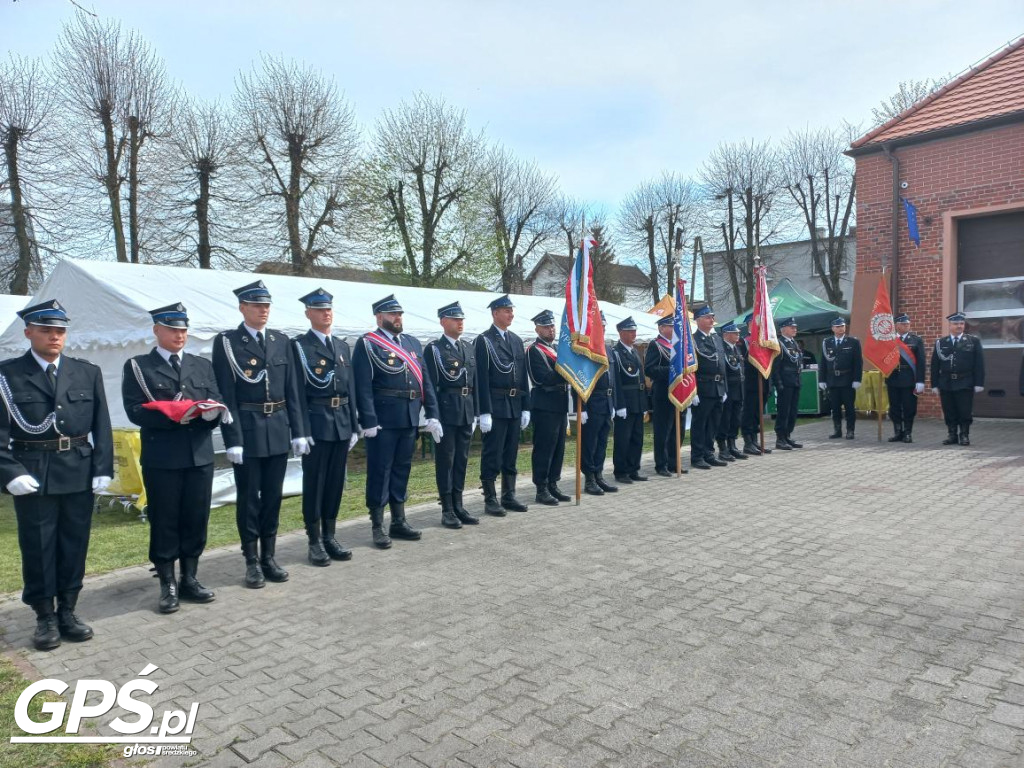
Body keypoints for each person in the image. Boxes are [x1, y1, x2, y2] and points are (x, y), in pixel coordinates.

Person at [0, 300, 112, 650]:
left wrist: (103, 467)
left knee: (73, 544)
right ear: (28, 332)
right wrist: (9, 471)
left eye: (60, 330)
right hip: (33, 472)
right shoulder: (7, 375)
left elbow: (102, 425)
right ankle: (44, 616)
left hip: (78, 469)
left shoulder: (86, 371)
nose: (54, 336)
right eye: (46, 329)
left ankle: (68, 610)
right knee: (38, 546)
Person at [122, 303, 225, 614]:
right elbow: (135, 410)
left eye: (183, 329)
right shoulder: (139, 366)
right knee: (165, 520)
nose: (179, 334)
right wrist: (177, 415)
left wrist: (208, 414)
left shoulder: (200, 365)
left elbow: (218, 401)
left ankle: (190, 578)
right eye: (172, 329)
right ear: (157, 330)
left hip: (198, 456)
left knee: (196, 519)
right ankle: (167, 582)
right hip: (163, 457)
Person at [212, 280, 307, 589]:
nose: (263, 310)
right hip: (249, 430)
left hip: (278, 427)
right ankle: (251, 560)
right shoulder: (228, 342)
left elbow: (293, 390)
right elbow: (226, 394)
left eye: (266, 305)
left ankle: (269, 555)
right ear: (243, 308)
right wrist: (233, 438)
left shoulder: (281, 341)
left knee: (273, 498)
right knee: (249, 499)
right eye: (256, 305)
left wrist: (299, 431)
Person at [352, 294, 442, 546]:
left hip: (409, 416)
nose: (398, 318)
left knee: (402, 468)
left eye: (400, 314)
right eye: (393, 314)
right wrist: (368, 419)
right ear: (379, 316)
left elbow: (425, 382)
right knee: (380, 471)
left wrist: (432, 413)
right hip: (383, 419)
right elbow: (363, 386)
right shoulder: (368, 344)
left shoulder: (412, 342)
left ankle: (399, 521)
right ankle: (377, 525)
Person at [292, 288, 359, 565]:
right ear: (308, 313)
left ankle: (330, 535)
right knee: (315, 482)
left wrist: (355, 425)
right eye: (319, 309)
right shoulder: (299, 346)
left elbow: (350, 388)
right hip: (316, 422)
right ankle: (314, 539)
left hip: (341, 421)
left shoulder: (342, 347)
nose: (326, 313)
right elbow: (296, 391)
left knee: (334, 483)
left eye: (329, 308)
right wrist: (300, 430)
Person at [424, 301, 480, 528]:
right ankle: (447, 508)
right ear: (443, 321)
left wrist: (476, 412)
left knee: (462, 460)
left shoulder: (467, 348)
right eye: (455, 319)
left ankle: (459, 504)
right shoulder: (434, 349)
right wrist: (433, 415)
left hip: (466, 409)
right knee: (446, 461)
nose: (460, 323)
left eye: (462, 319)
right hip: (447, 410)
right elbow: (430, 384)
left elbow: (474, 383)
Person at [474, 295, 530, 514]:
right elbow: (481, 378)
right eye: (506, 310)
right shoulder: (484, 340)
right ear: (495, 313)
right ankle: (490, 498)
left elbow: (522, 375)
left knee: (511, 453)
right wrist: (484, 411)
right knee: (493, 453)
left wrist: (526, 405)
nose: (511, 314)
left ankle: (509, 495)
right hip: (496, 404)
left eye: (511, 310)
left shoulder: (516, 340)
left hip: (515, 403)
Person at [526, 310, 571, 505]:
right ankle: (541, 487)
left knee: (559, 447)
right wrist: (566, 367)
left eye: (552, 326)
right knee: (545, 447)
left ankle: (553, 482)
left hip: (560, 402)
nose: (550, 330)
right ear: (537, 328)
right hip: (545, 404)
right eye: (545, 326)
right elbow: (541, 378)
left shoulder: (557, 349)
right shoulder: (534, 350)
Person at [930, 311, 985, 446]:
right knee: (949, 410)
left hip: (965, 381)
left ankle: (964, 435)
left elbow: (979, 364)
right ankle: (952, 435)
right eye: (956, 323)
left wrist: (979, 383)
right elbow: (934, 365)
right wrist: (934, 384)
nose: (959, 326)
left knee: (964, 411)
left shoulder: (973, 341)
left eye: (961, 323)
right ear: (950, 325)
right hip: (946, 382)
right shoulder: (941, 342)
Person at [644, 315, 685, 476]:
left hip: (679, 392)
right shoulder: (656, 345)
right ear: (661, 328)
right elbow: (649, 369)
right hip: (663, 393)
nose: (674, 329)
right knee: (663, 430)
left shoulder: (677, 345)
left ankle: (675, 462)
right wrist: (672, 371)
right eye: (670, 326)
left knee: (678, 429)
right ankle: (661, 464)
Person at [581, 312, 617, 494]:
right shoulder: (587, 348)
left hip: (607, 401)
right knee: (590, 442)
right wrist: (583, 407)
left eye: (604, 325)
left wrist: (615, 404)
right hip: (593, 401)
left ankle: (599, 475)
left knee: (602, 441)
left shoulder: (609, 349)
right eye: (599, 325)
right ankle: (589, 478)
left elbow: (614, 379)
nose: (602, 328)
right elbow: (581, 379)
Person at [689, 305, 728, 470]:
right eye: (707, 317)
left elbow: (722, 365)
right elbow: (691, 367)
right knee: (700, 424)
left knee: (713, 423)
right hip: (703, 387)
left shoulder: (717, 339)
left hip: (718, 387)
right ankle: (697, 456)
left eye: (712, 317)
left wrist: (724, 387)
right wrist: (693, 390)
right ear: (698, 320)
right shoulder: (693, 340)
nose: (711, 320)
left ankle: (709, 453)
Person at [611, 317, 648, 484]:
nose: (634, 334)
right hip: (625, 402)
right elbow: (616, 381)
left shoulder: (634, 351)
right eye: (630, 331)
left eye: (634, 331)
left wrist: (645, 405)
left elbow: (640, 380)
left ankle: (634, 468)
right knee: (623, 439)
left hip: (638, 401)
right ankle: (621, 471)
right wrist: (619, 404)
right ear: (621, 333)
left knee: (637, 438)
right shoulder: (616, 353)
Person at [819, 318, 863, 439]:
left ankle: (850, 430)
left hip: (847, 379)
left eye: (842, 326)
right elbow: (823, 362)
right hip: (832, 380)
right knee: (835, 408)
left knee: (849, 408)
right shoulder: (827, 342)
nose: (840, 328)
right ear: (832, 328)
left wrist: (857, 379)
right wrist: (822, 379)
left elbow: (858, 363)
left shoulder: (853, 342)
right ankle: (837, 430)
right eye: (837, 327)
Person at [885, 313, 926, 443]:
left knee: (909, 407)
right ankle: (898, 432)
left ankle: (907, 432)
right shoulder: (889, 340)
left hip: (909, 378)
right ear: (896, 326)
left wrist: (920, 381)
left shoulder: (916, 340)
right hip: (893, 378)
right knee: (894, 407)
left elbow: (921, 362)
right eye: (903, 324)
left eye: (908, 323)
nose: (906, 325)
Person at [715, 322, 748, 462]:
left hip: (739, 389)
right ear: (726, 334)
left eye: (738, 333)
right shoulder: (722, 349)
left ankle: (733, 445)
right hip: (728, 389)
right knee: (725, 419)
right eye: (735, 333)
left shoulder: (737, 349)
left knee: (736, 419)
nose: (738, 335)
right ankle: (723, 448)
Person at [770, 317, 803, 451]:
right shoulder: (779, 344)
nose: (795, 329)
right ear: (783, 329)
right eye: (791, 327)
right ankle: (780, 438)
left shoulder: (794, 343)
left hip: (795, 381)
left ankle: (788, 435)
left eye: (795, 327)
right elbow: (776, 366)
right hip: (785, 382)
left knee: (793, 411)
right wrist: (778, 383)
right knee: (784, 411)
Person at [738, 332, 771, 456]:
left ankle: (755, 441)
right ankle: (748, 443)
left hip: (763, 383)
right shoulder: (744, 341)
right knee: (749, 414)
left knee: (758, 414)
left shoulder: (764, 339)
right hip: (751, 383)